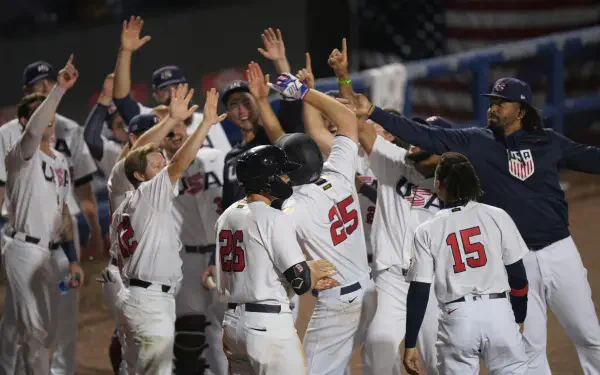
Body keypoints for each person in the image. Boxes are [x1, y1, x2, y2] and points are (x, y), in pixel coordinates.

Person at [345, 76, 600, 374]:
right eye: (492, 102)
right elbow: (425, 135)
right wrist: (375, 111)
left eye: (501, 103)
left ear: (522, 110)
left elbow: (592, 159)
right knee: (528, 346)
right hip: (517, 259)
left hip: (560, 251)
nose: (493, 108)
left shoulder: (549, 141)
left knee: (589, 335)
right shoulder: (477, 142)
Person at [110, 85, 226, 374]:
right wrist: (203, 125)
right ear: (139, 174)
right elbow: (176, 165)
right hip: (149, 302)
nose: (164, 165)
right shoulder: (148, 194)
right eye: (156, 164)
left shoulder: (125, 197)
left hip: (134, 296)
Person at [270, 73, 375, 374]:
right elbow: (346, 117)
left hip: (337, 302)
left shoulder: (294, 207)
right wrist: (305, 92)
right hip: (366, 292)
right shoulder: (341, 170)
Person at [0, 57, 100, 375]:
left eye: (51, 116)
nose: (49, 120)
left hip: (53, 253)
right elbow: (33, 131)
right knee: (35, 330)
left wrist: (73, 259)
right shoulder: (21, 152)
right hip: (24, 250)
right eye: (40, 117)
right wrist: (58, 88)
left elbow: (63, 213)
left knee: (35, 324)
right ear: (27, 124)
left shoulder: (58, 161)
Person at [403, 152, 530, 375]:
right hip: (499, 313)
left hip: (457, 318)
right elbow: (519, 278)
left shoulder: (427, 230)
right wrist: (518, 317)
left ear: (438, 184)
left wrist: (410, 343)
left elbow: (419, 291)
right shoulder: (497, 216)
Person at [216, 144, 336, 375]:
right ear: (266, 179)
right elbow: (300, 282)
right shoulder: (273, 218)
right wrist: (312, 270)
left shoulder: (227, 215)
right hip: (266, 326)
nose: (286, 178)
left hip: (233, 326)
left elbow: (256, 265)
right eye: (281, 173)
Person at [151, 102, 228, 374]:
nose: (176, 135)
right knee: (191, 336)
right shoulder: (157, 174)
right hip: (185, 261)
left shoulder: (216, 157)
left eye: (180, 127)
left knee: (227, 330)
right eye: (168, 132)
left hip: (223, 254)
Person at [111, 16, 233, 153]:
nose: (172, 94)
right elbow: (121, 99)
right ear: (155, 96)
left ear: (187, 88)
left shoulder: (207, 120)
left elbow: (225, 158)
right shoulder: (149, 120)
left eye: (177, 87)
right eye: (164, 90)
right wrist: (125, 51)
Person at [83, 72, 128, 178]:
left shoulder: (157, 141)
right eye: (119, 125)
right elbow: (91, 139)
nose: (127, 127)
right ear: (114, 132)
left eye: (128, 120)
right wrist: (106, 96)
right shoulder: (114, 153)